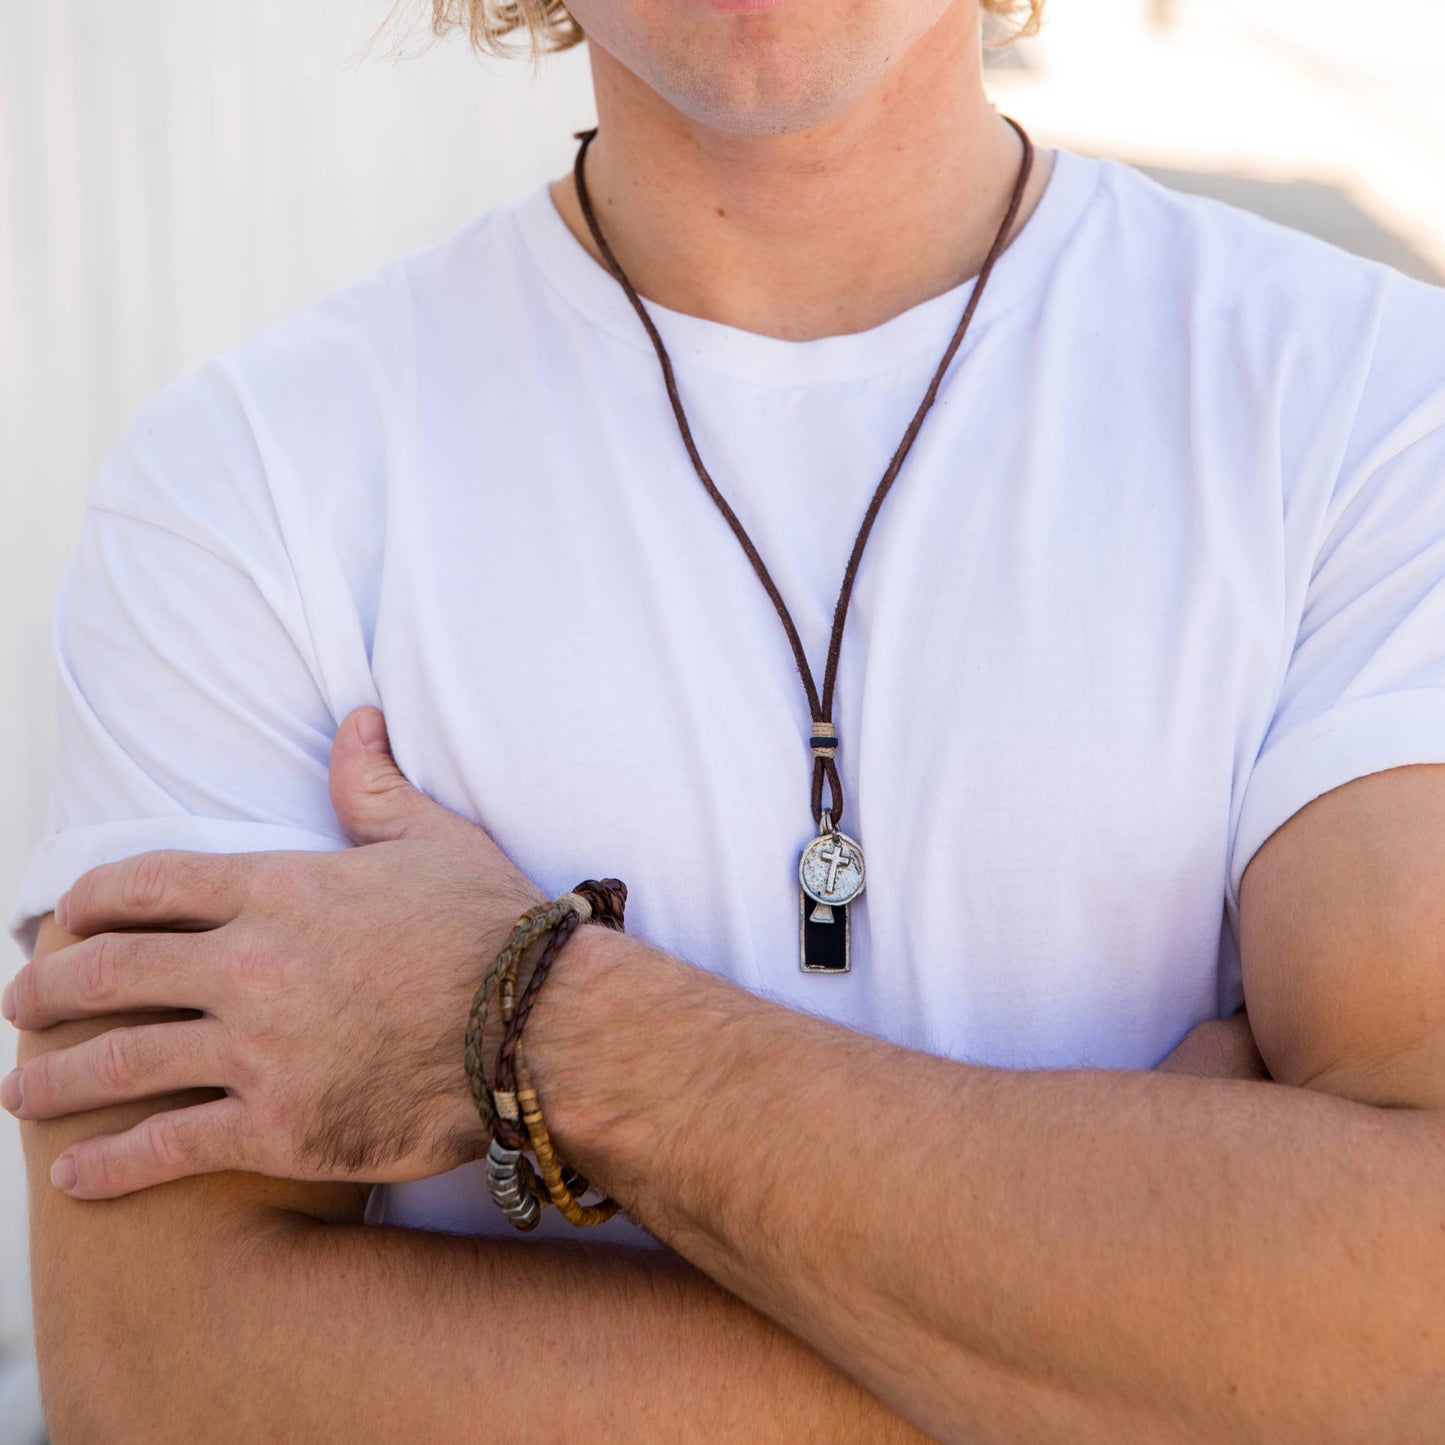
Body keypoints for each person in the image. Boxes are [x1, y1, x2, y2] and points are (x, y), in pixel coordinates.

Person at [5, 0, 1445, 1436]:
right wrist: (1153, 1342)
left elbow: (1409, 1329)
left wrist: (527, 1016)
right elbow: (155, 1381)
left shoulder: (1371, 415)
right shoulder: (246, 489)